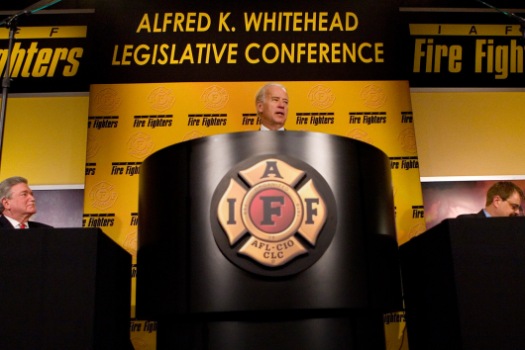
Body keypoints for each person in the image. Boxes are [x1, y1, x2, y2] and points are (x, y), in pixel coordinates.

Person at [458, 181, 525, 218]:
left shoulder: (514, 229)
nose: (517, 212)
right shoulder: (466, 222)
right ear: (497, 201)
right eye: (514, 207)